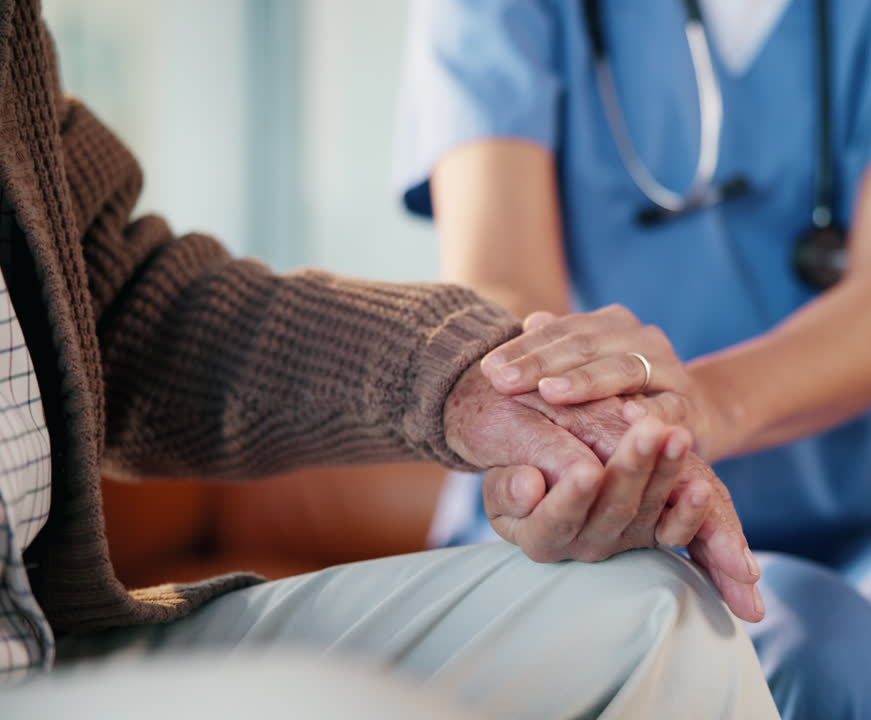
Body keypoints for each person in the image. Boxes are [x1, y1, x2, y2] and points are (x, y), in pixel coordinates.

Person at [0, 1, 779, 717]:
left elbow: (126, 302)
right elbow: (507, 265)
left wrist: (471, 381)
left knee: (660, 612)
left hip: (50, 648)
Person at [395, 0, 871, 717]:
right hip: (592, 525)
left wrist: (702, 405)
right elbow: (504, 287)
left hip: (851, 516)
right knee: (811, 641)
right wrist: (605, 438)